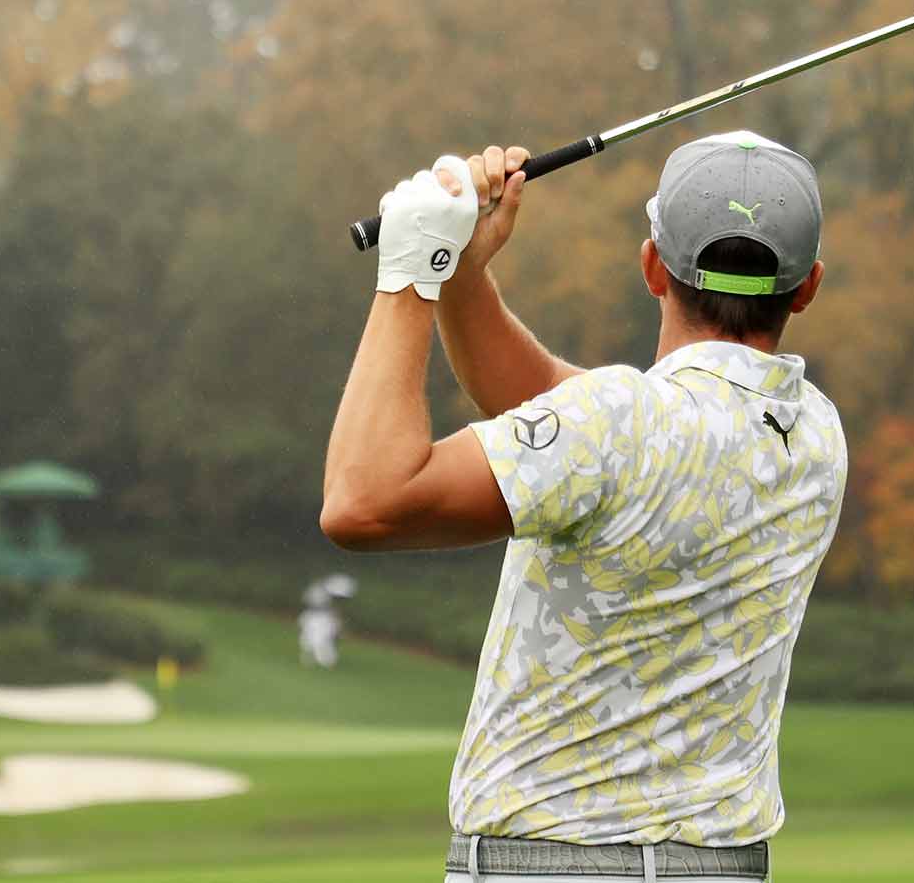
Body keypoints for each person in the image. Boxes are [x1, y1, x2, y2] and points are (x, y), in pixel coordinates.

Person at [321, 131, 847, 883]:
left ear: (650, 267)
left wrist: (411, 273)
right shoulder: (816, 436)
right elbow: (545, 414)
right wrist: (463, 272)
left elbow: (363, 501)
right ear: (808, 286)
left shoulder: (616, 426)